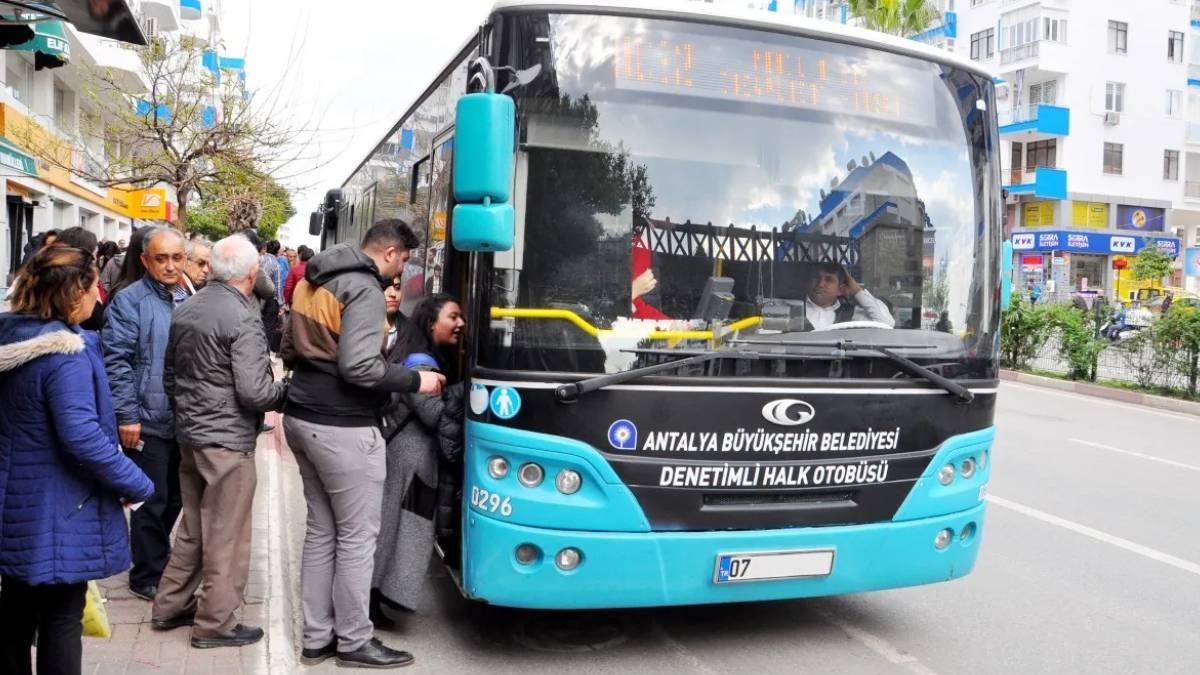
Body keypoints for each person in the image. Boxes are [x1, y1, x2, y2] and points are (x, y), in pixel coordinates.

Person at [282, 219, 444, 669]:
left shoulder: (313, 279)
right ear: (391, 253)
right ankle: (354, 640)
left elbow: (289, 350)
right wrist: (418, 379)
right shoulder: (364, 288)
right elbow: (361, 368)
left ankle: (316, 638)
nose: (401, 274)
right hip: (343, 426)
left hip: (302, 416)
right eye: (405, 260)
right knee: (356, 538)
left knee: (322, 531)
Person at [0, 246, 155, 675]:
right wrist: (136, 483)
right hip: (60, 508)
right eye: (93, 286)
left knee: (15, 613)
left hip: (14, 503)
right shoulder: (64, 355)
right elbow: (82, 436)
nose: (99, 296)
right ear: (75, 292)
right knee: (62, 618)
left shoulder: (11, 338)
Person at [151, 236, 288, 648]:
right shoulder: (242, 316)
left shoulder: (187, 306)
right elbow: (254, 392)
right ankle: (215, 623)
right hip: (228, 439)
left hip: (191, 433)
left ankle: (169, 604)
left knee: (193, 525)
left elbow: (170, 375)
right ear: (251, 273)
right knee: (228, 532)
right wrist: (284, 391)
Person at [102, 227, 189, 601]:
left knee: (177, 498)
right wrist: (127, 416)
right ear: (145, 260)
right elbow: (116, 362)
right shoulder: (129, 301)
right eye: (161, 259)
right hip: (146, 419)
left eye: (176, 258)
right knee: (150, 500)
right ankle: (146, 574)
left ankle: (157, 557)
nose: (170, 266)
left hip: (183, 418)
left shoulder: (189, 297)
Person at [372, 294, 465, 624]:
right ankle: (374, 599)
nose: (461, 324)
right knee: (396, 531)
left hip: (414, 460)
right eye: (453, 317)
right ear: (431, 323)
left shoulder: (420, 354)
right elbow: (432, 414)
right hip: (408, 460)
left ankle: (381, 597)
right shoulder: (421, 363)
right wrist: (461, 393)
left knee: (403, 530)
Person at [803, 263, 894, 331]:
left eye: (828, 280)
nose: (820, 284)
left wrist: (856, 289)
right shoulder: (792, 309)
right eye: (816, 277)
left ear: (840, 290)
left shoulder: (853, 314)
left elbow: (887, 325)